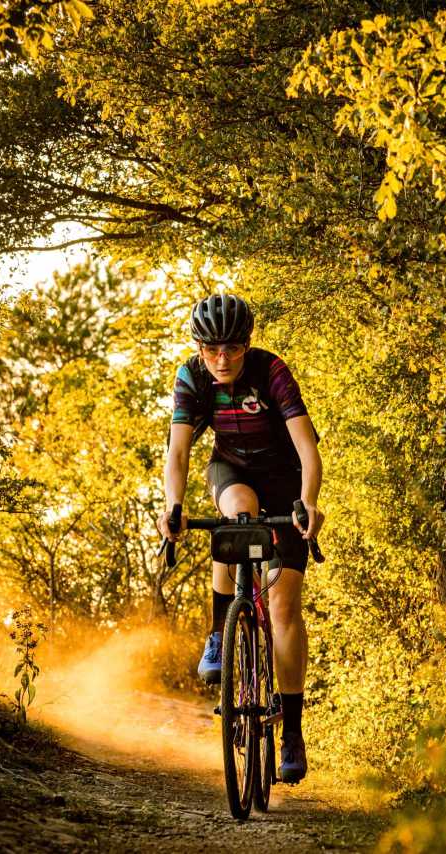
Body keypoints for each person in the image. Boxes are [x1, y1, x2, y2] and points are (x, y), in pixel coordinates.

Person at [157, 294, 324, 784]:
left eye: (231, 349)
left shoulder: (271, 372)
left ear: (247, 345)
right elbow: (179, 454)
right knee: (236, 517)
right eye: (211, 350)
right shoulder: (191, 377)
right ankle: (218, 631)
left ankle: (291, 732)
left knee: (284, 608)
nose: (222, 359)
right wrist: (174, 508)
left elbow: (308, 448)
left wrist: (309, 503)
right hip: (232, 471)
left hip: (285, 478)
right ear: (199, 348)